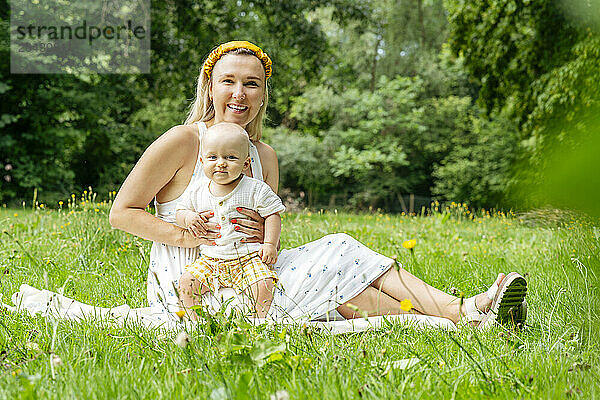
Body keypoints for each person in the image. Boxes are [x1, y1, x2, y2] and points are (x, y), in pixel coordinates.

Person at [109, 40, 527, 328]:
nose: (239, 93)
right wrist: (186, 231)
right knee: (340, 254)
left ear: (262, 93)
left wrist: (265, 237)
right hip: (193, 282)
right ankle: (467, 310)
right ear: (210, 87)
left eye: (251, 83)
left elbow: (264, 221)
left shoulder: (263, 155)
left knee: (343, 285)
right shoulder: (184, 141)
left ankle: (465, 319)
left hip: (252, 270)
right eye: (229, 81)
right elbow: (121, 214)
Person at [176, 122, 285, 318]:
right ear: (202, 161)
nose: (221, 163)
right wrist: (189, 218)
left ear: (245, 163)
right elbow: (181, 211)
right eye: (212, 157)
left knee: (264, 284)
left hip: (249, 258)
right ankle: (196, 321)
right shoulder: (197, 190)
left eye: (230, 157)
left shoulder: (255, 189)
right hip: (211, 259)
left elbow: (273, 214)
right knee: (186, 282)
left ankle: (255, 321)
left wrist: (270, 244)